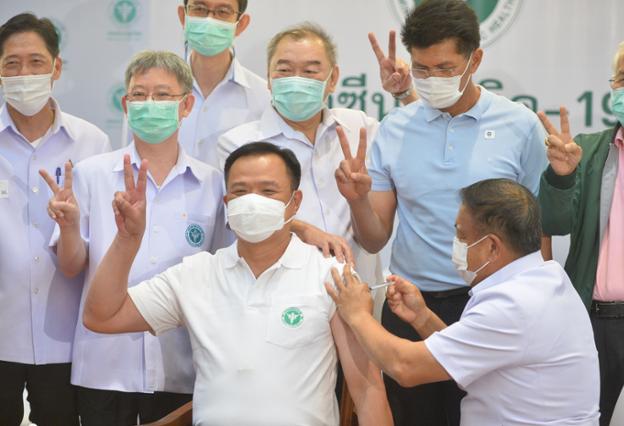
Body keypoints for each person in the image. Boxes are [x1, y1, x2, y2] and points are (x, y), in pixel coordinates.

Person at [335, 1, 548, 424]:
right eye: (422, 70)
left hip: (492, 308)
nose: (433, 80)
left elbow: (536, 230)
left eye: (445, 68)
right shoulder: (394, 129)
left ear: (476, 60)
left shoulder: (519, 125)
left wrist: (539, 304)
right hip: (410, 306)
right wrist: (358, 198)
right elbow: (375, 237)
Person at [82, 141, 393, 426]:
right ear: (226, 201)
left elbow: (366, 388)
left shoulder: (331, 276)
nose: (253, 202)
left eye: (268, 192)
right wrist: (127, 240)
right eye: (241, 192)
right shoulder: (197, 273)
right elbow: (103, 316)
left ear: (295, 202)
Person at [43, 51, 229, 425]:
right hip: (104, 365)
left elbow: (222, 275)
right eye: (139, 95)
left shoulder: (212, 183)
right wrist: (68, 229)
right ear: (125, 105)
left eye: (163, 95)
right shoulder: (91, 174)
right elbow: (70, 266)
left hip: (181, 365)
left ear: (186, 104)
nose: (150, 105)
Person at [328, 178, 601, 426]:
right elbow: (470, 354)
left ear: (492, 246)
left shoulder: (513, 305)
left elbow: (405, 367)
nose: (456, 244)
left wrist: (358, 314)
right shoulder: (545, 278)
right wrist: (422, 317)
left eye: (462, 236)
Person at [217, 22, 395, 286]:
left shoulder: (362, 129)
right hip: (280, 293)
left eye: (310, 71)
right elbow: (240, 219)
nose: (296, 80)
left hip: (357, 289)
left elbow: (374, 241)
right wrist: (302, 229)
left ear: (333, 79)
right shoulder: (239, 144)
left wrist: (359, 200)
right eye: (285, 70)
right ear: (268, 77)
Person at [0, 13, 111, 425]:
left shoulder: (92, 142)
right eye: (11, 64)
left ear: (56, 68)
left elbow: (99, 240)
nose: (23, 73)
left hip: (67, 339)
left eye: (35, 62)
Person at [538, 33, 624, 426]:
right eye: (623, 79)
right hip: (591, 324)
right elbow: (553, 223)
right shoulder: (588, 149)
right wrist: (562, 177)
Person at [175, 0, 270, 164]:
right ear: (183, 16)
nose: (210, 19)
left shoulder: (264, 97)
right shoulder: (154, 93)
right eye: (199, 9)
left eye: (223, 12)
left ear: (241, 25)